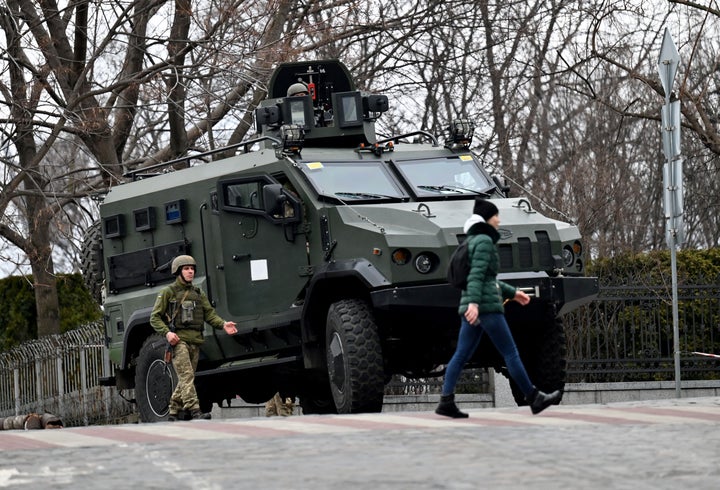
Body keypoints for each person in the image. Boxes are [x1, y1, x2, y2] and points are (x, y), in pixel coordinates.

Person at [436, 198, 562, 418]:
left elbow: (487, 279)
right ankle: (534, 398)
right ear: (486, 218)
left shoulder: (473, 240)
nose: (499, 219)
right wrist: (475, 304)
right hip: (485, 307)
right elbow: (476, 275)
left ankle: (446, 401)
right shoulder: (484, 241)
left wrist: (513, 294)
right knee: (511, 353)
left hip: (475, 304)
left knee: (461, 354)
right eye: (495, 215)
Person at [150, 255, 237, 421]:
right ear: (178, 272)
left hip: (195, 341)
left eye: (192, 269)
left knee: (186, 377)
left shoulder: (197, 292)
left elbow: (209, 314)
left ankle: (174, 410)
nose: (190, 272)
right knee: (187, 376)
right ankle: (195, 410)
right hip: (178, 342)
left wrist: (223, 324)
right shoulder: (168, 292)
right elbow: (154, 318)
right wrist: (167, 333)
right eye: (186, 269)